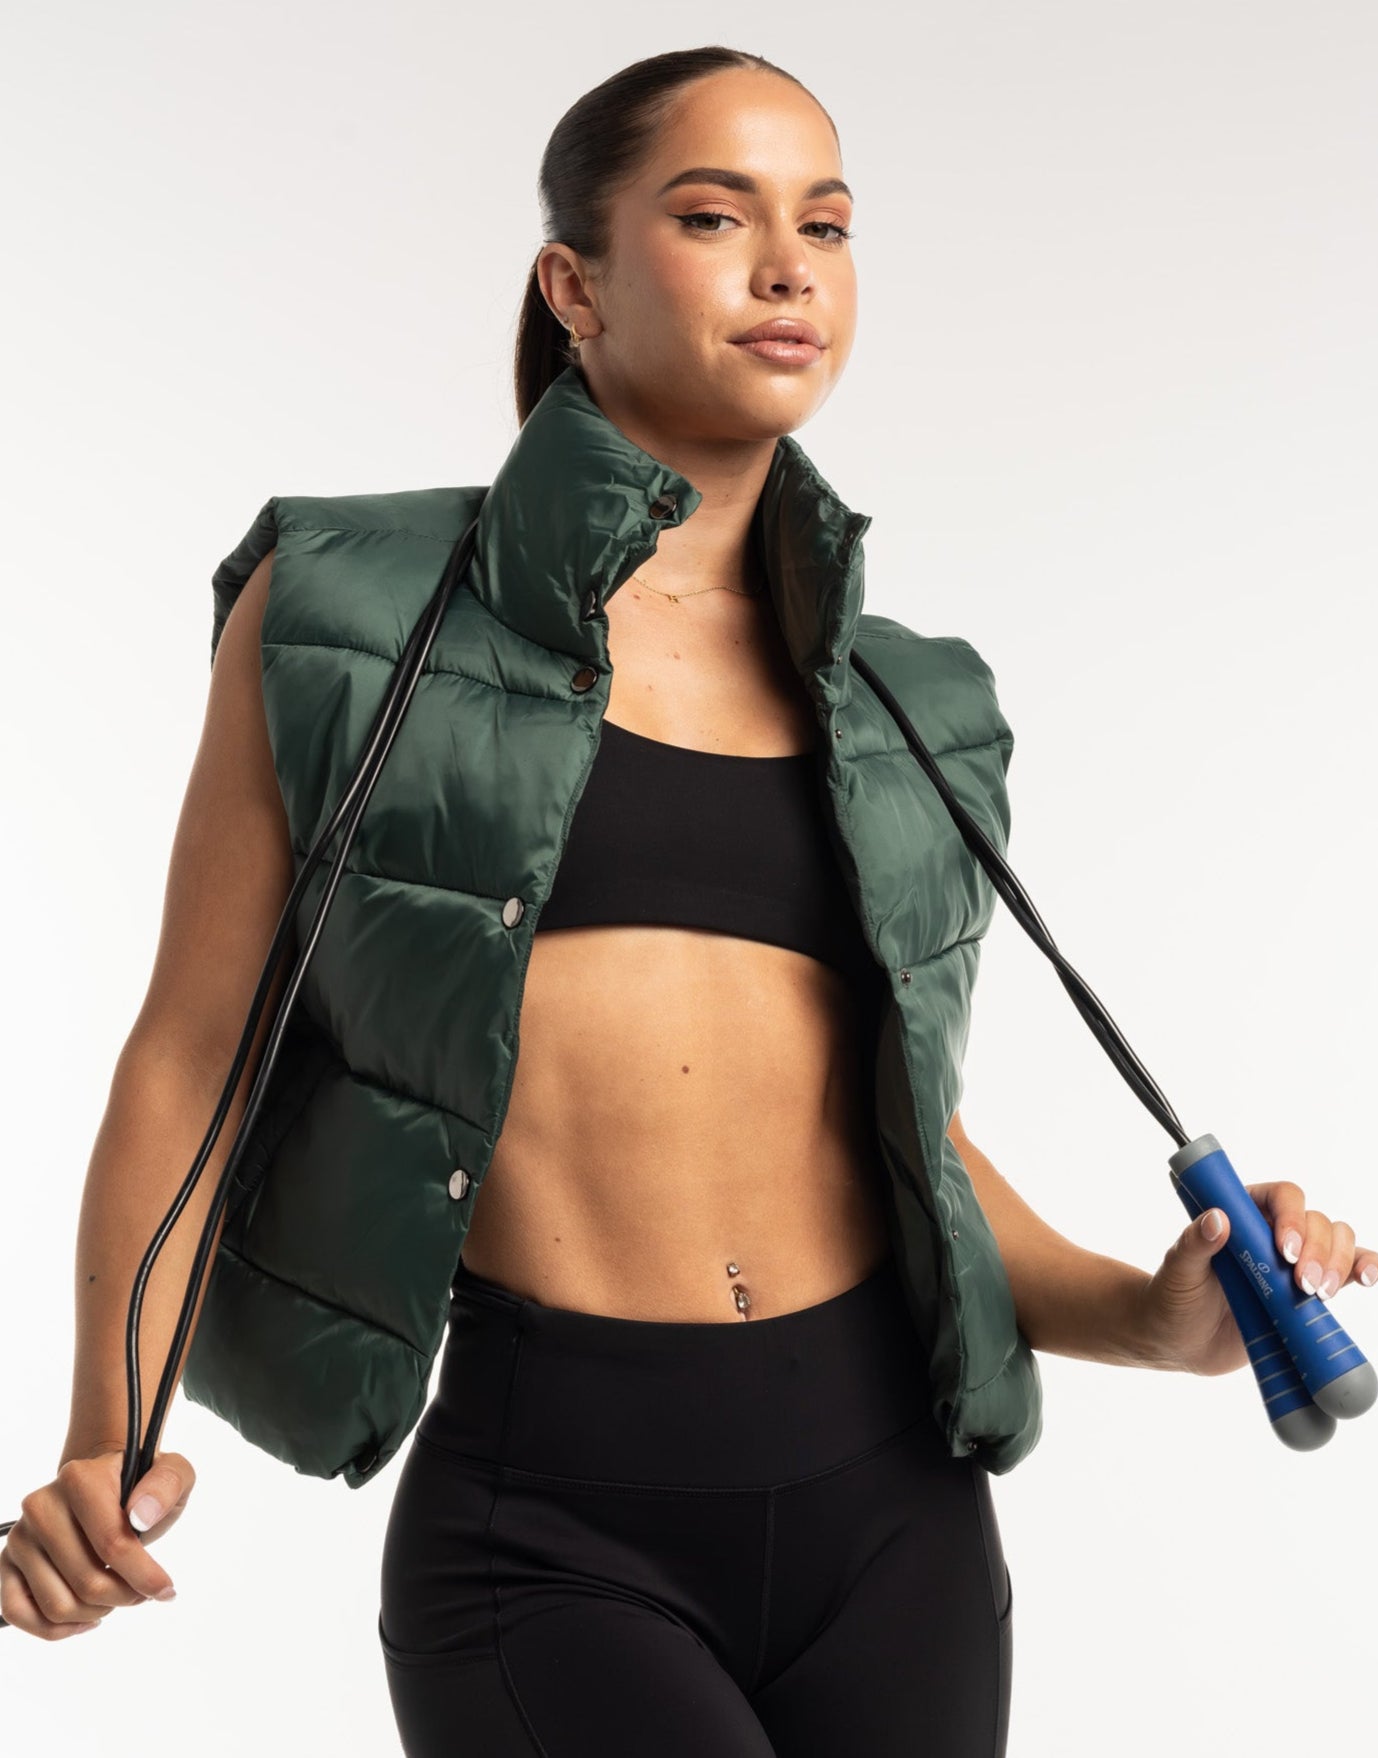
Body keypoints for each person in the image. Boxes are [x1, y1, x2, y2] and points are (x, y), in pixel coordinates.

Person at [4, 41, 1374, 1758]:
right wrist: (105, 1430)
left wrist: (1146, 1315)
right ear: (572, 285)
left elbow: (907, 1143)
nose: (788, 266)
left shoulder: (914, 702)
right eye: (716, 216)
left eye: (828, 224)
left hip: (898, 1520)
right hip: (551, 1527)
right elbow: (190, 1055)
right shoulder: (350, 607)